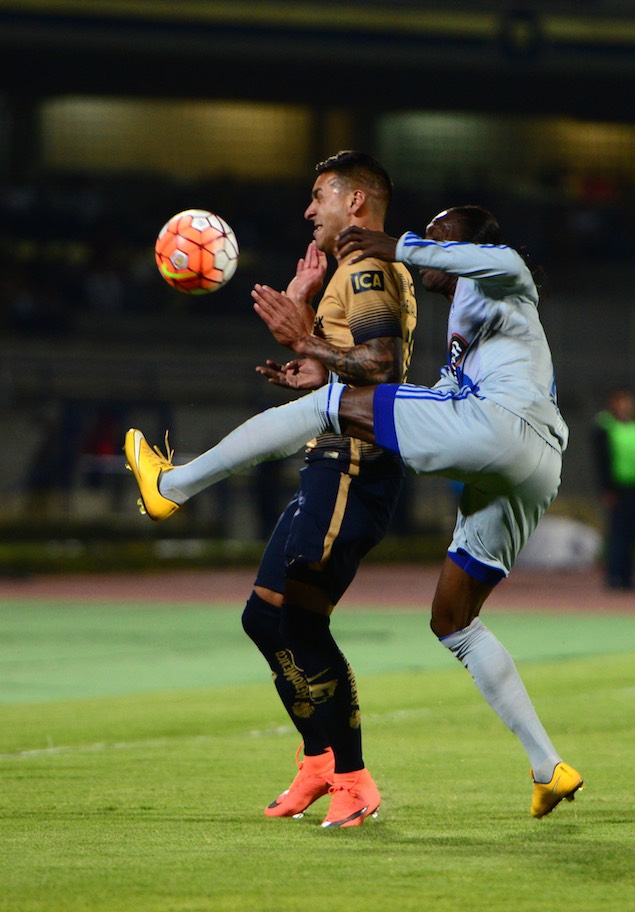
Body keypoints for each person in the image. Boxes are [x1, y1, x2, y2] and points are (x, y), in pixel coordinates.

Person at [125, 204, 584, 822]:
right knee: (454, 619)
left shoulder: (502, 270)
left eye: (442, 231)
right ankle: (547, 766)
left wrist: (397, 244)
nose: (429, 237)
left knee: (332, 408)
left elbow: (472, 262)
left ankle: (173, 484)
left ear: (470, 242)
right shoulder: (477, 316)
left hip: (501, 428)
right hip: (532, 464)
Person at [129, 151, 417, 829]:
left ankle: (354, 781)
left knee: (302, 620)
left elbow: (382, 366)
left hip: (356, 464)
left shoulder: (371, 267)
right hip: (329, 458)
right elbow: (348, 372)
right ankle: (319, 762)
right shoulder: (350, 271)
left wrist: (306, 334)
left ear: (357, 203)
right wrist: (309, 363)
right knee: (263, 617)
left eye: (320, 196)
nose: (308, 209)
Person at [592, 387, 635, 589]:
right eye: (621, 402)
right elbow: (602, 461)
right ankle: (614, 577)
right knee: (618, 533)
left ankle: (629, 578)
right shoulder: (605, 427)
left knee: (633, 534)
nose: (625, 406)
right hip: (618, 489)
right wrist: (607, 489)